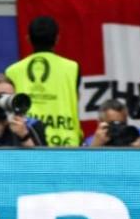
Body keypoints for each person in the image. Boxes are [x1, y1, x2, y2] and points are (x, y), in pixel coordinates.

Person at [6, 16, 83, 147]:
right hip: (67, 143)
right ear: (57, 39)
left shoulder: (12, 71)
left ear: (28, 39)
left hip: (28, 141)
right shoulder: (73, 68)